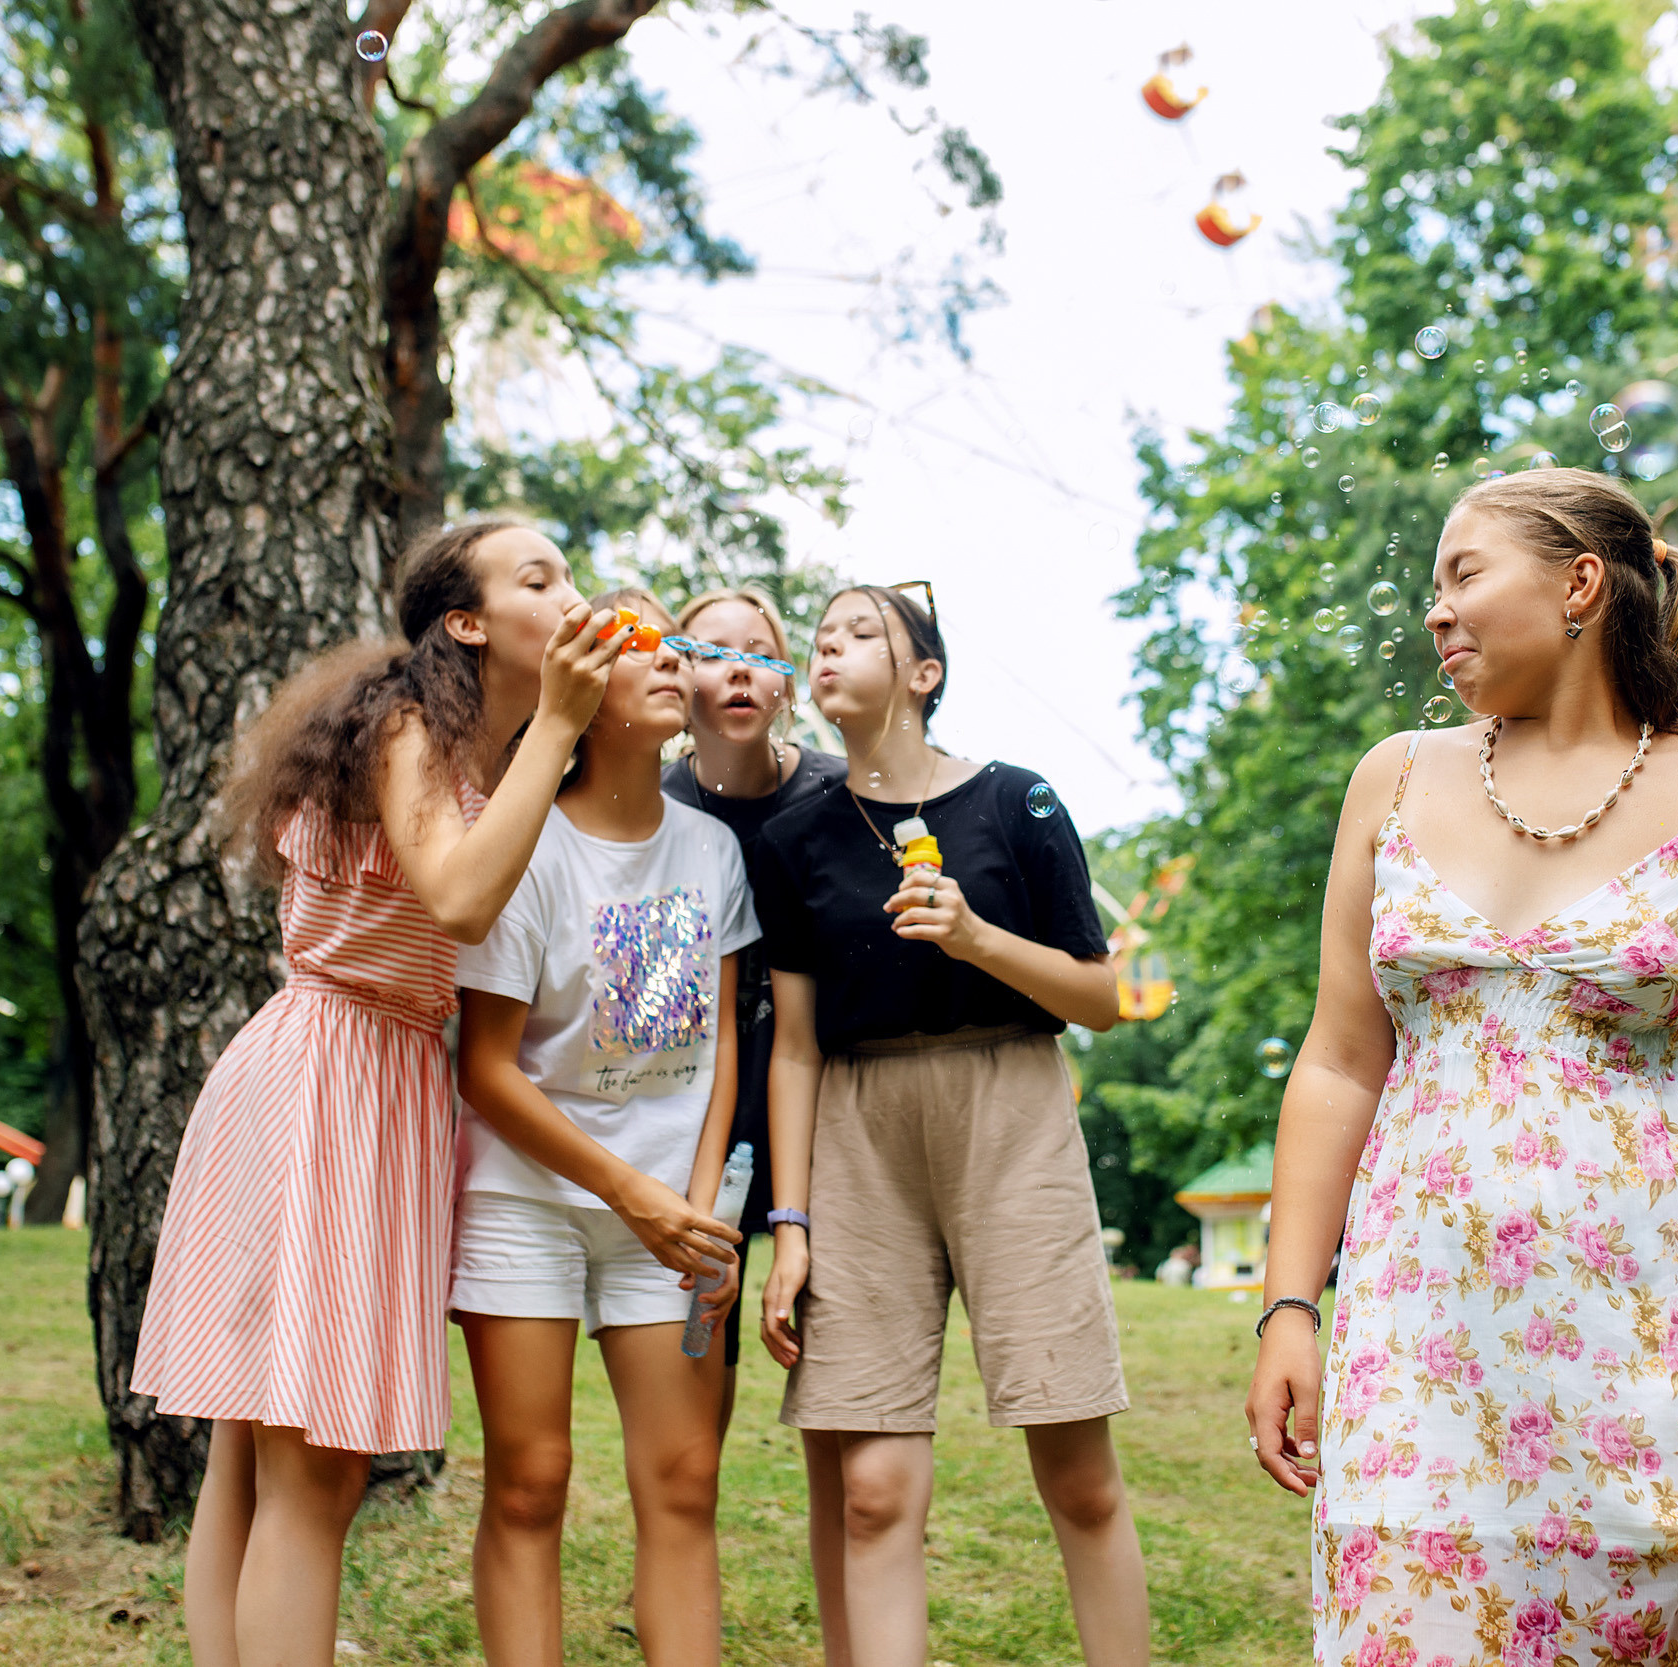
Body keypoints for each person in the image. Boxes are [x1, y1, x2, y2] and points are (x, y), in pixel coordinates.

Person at [1244, 471, 1678, 1665]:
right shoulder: (1394, 775)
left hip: (1671, 1337)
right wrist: (1286, 1304)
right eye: (1432, 586)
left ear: (1579, 582)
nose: (1436, 611)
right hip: (1420, 1337)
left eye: (1463, 573)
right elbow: (1336, 1061)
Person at [131, 520, 628, 1667]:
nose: (571, 592)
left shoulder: (485, 756)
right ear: (466, 620)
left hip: (358, 1078)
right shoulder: (410, 727)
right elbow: (454, 899)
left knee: (256, 1454)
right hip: (334, 1078)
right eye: (538, 576)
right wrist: (558, 722)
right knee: (310, 1463)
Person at [755, 583, 1152, 1667]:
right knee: (872, 1491)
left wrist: (976, 936)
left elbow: (1099, 994)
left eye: (859, 633)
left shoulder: (1016, 802)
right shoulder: (795, 839)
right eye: (820, 636)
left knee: (1075, 1469)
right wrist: (790, 1223)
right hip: (857, 1127)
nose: (828, 647)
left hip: (1009, 1111)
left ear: (924, 673)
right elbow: (792, 1045)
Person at [451, 587, 761, 1667]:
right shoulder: (525, 847)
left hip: (674, 1213)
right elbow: (484, 1069)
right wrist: (630, 1193)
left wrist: (704, 1204)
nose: (672, 658)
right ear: (578, 686)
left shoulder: (712, 852)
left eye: (673, 639)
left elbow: (720, 1049)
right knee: (530, 1482)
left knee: (684, 1480)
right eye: (636, 645)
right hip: (526, 1198)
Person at [658, 586, 847, 1438]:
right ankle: (678, 1531)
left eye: (762, 653)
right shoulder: (650, 805)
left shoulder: (841, 798)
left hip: (828, 1102)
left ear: (788, 689)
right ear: (676, 678)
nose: (739, 669)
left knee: (841, 1347)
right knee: (699, 1339)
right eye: (711, 652)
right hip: (701, 1113)